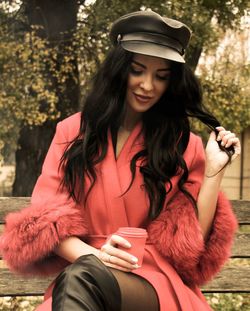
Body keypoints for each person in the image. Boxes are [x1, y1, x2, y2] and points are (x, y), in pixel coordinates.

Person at [0, 10, 241, 311]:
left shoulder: (185, 145)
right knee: (81, 281)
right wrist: (94, 256)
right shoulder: (71, 132)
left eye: (161, 76)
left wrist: (214, 172)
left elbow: (190, 250)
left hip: (155, 283)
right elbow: (44, 221)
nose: (148, 85)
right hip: (85, 272)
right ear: (118, 70)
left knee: (81, 281)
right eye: (138, 70)